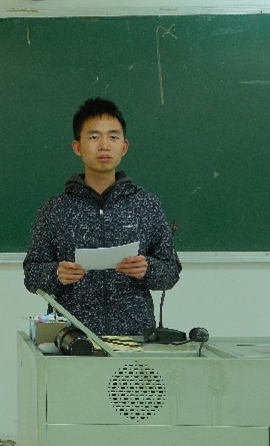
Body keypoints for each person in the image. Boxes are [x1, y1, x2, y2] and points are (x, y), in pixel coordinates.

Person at [23, 97, 181, 336]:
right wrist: (56, 274)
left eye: (113, 137)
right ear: (77, 147)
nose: (104, 145)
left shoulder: (147, 204)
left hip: (135, 338)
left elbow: (171, 271)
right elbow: (31, 275)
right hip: (72, 339)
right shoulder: (54, 209)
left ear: (124, 147)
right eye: (94, 137)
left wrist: (147, 269)